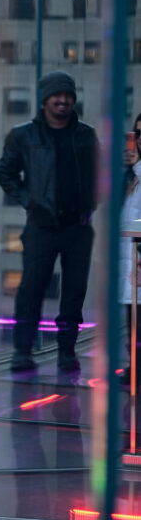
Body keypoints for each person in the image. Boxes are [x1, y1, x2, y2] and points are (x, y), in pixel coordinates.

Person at [0, 70, 98, 373]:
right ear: (45, 100)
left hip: (79, 227)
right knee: (31, 290)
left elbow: (99, 174)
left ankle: (67, 352)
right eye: (57, 96)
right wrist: (31, 201)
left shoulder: (85, 134)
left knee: (74, 293)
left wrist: (91, 202)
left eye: (68, 95)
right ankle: (22, 351)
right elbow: (5, 174)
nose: (63, 101)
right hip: (41, 227)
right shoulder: (24, 135)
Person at [119, 113, 141, 384]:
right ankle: (134, 365)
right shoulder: (133, 172)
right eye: (138, 133)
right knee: (134, 316)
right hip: (130, 255)